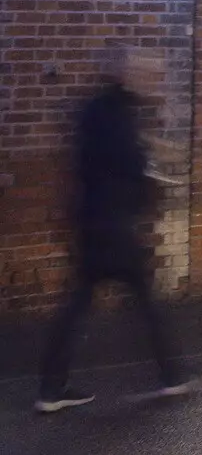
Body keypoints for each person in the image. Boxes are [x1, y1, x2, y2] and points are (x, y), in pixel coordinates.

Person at [37, 43, 191, 413]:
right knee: (146, 301)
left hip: (92, 221)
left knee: (79, 304)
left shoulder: (98, 108)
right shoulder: (117, 112)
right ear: (124, 73)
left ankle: (51, 389)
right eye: (145, 73)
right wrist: (157, 173)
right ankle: (173, 376)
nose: (151, 80)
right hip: (113, 226)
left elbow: (98, 160)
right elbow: (129, 162)